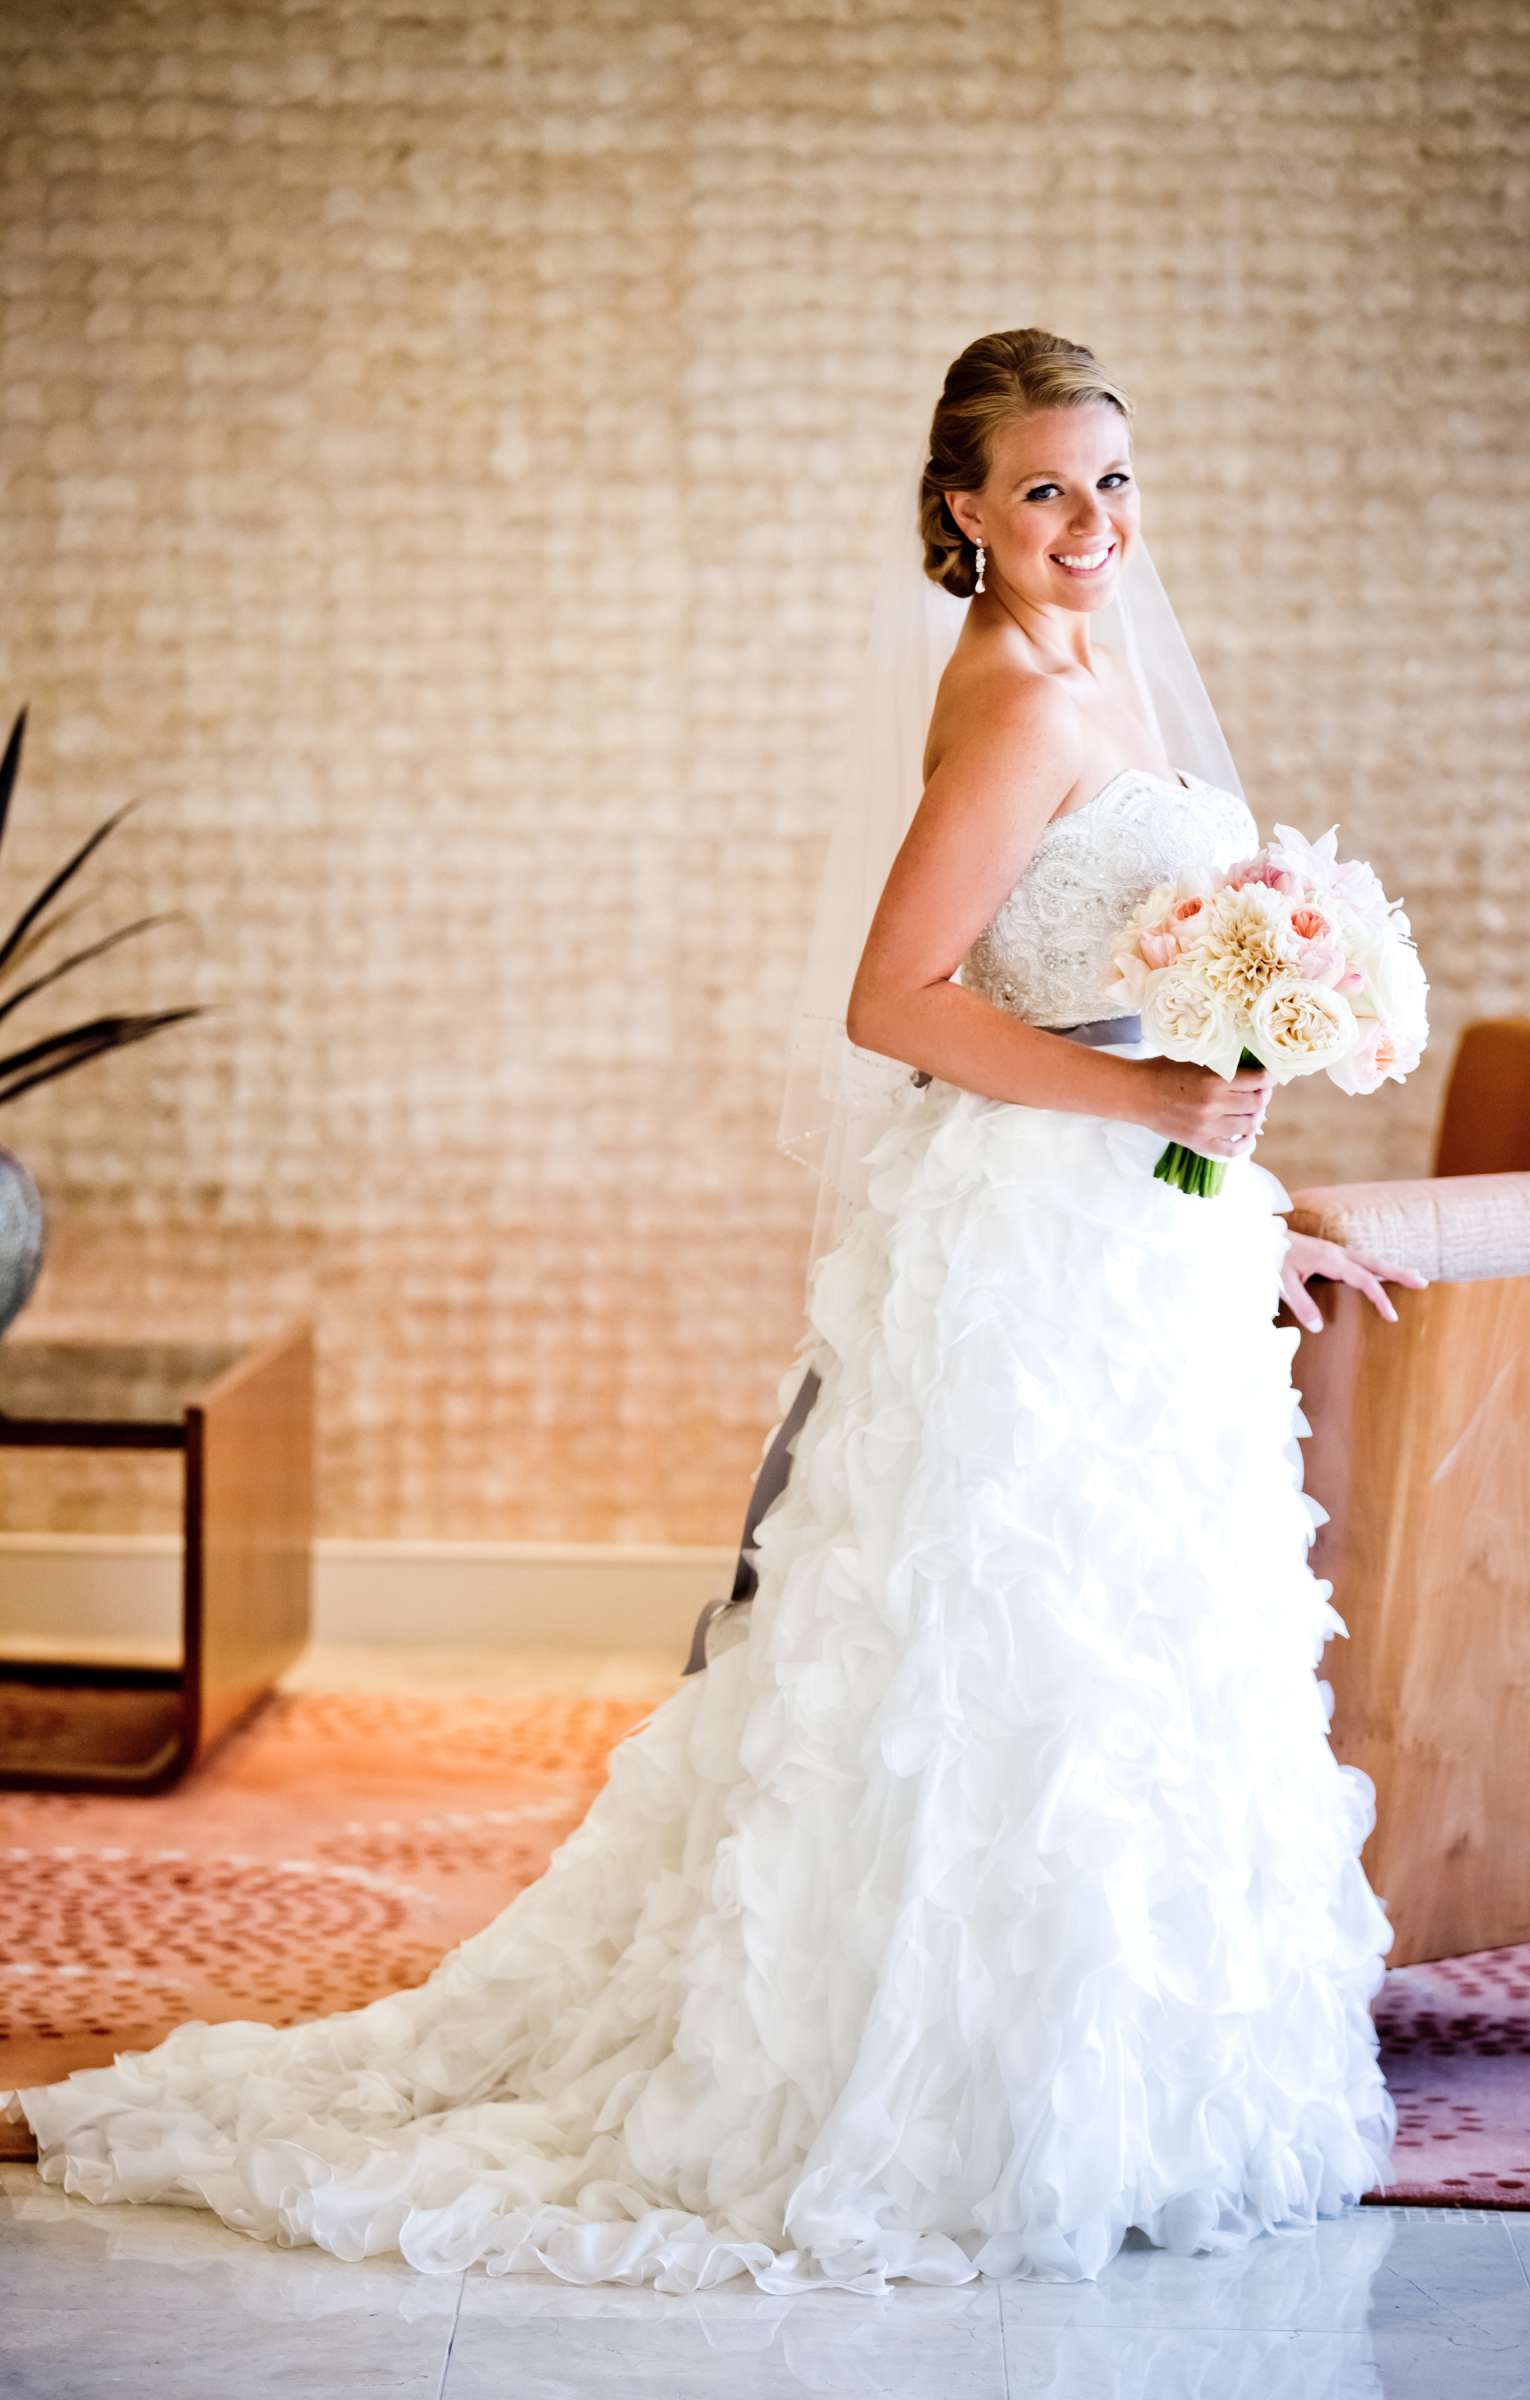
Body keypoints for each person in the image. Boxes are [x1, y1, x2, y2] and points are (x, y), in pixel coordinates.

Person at [5, 330, 1424, 2297]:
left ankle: (1119, 2064)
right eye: (1039, 491)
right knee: (995, 1653)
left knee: (1124, 1639)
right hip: (1022, 1245)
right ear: (961, 510)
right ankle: (935, 2077)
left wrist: (1230, 1201)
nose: (1087, 525)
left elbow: (1125, 1009)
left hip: (1119, 1234)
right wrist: (1157, 1106)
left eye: (1109, 483)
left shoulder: (1097, 674)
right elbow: (897, 1004)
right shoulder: (1012, 700)